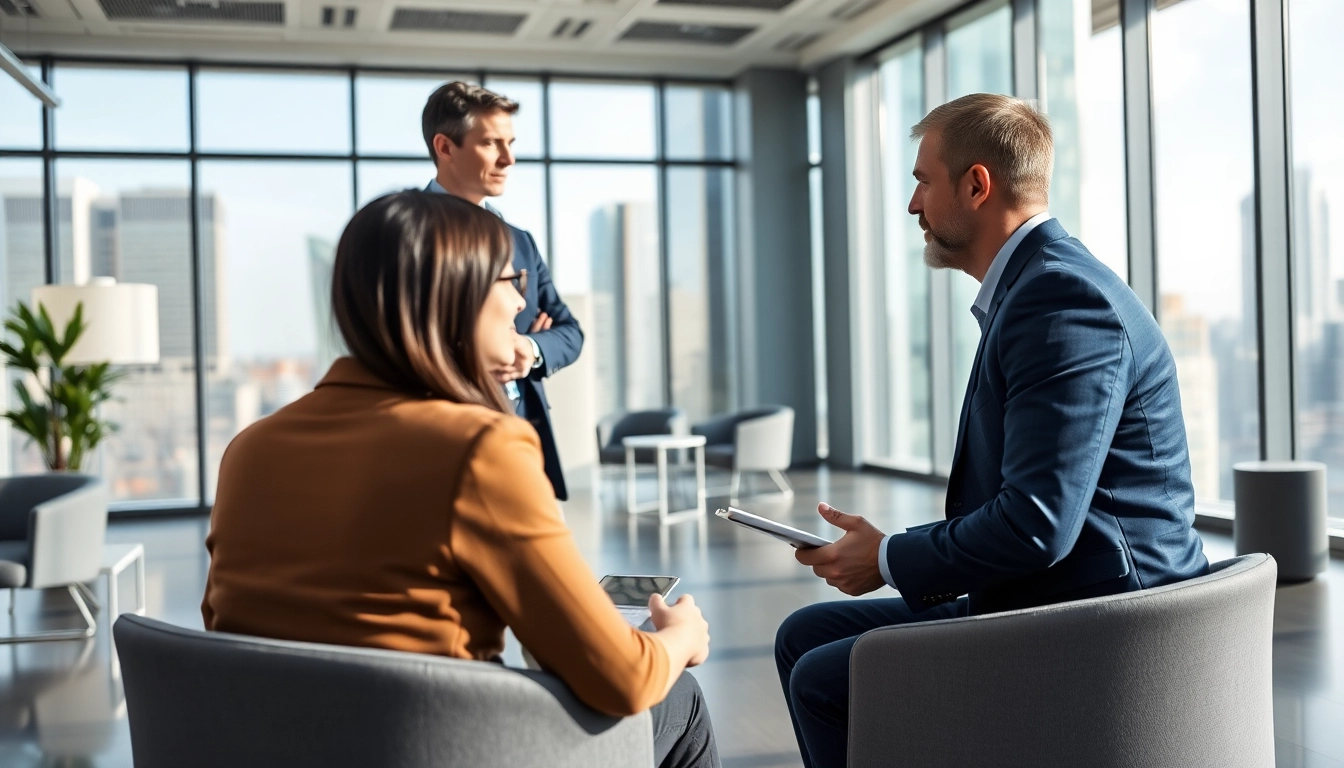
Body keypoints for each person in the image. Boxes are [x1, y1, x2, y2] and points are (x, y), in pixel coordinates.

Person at [202, 192, 719, 768]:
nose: (523, 302)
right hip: (432, 746)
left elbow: (234, 636)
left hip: (274, 749)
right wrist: (680, 638)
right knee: (678, 694)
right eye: (510, 279)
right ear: (459, 296)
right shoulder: (478, 448)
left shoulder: (249, 450)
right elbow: (620, 677)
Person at [774, 93, 1209, 768]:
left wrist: (887, 558)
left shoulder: (1060, 299)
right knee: (807, 635)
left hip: (1103, 627)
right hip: (1059, 595)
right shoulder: (1035, 288)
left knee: (827, 679)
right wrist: (890, 556)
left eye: (922, 180)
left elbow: (1035, 524)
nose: (913, 205)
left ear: (976, 184)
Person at [422, 81, 581, 501]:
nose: (508, 159)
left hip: (527, 443)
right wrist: (488, 348)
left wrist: (528, 348)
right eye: (491, 143)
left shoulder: (520, 241)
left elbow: (569, 331)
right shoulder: (408, 238)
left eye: (510, 143)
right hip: (449, 448)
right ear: (446, 147)